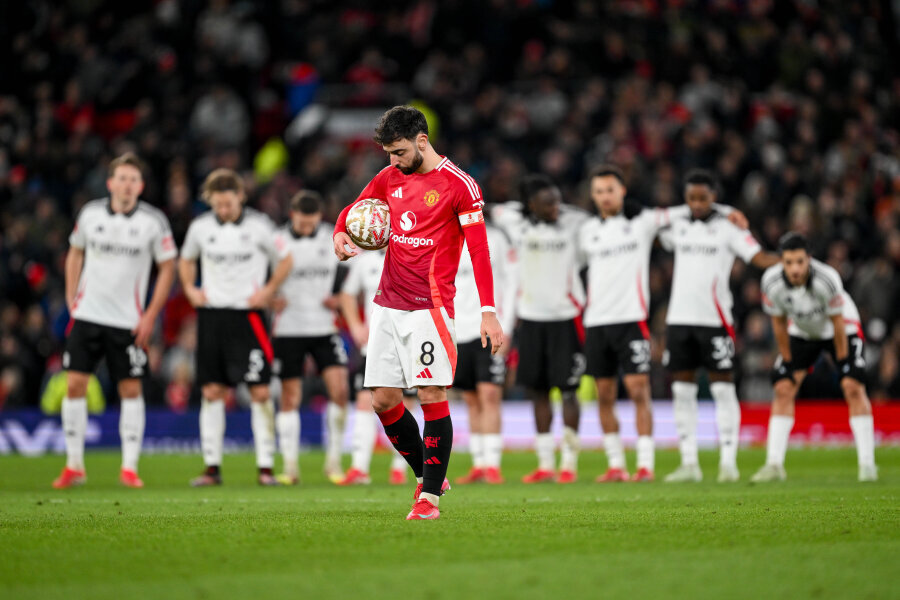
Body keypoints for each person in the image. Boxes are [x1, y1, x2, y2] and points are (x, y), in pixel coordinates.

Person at [333, 105, 503, 520]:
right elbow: (353, 211)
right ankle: (430, 473)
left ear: (422, 141)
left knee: (431, 395)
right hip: (387, 305)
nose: (393, 161)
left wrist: (488, 311)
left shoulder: (459, 185)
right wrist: (340, 233)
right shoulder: (390, 177)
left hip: (431, 308)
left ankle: (428, 499)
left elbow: (479, 251)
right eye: (389, 153)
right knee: (383, 400)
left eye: (399, 152)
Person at [579, 165, 745, 483]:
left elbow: (693, 206)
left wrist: (728, 211)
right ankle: (616, 465)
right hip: (596, 321)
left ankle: (644, 465)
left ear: (622, 190)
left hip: (631, 321)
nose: (604, 197)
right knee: (604, 395)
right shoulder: (587, 231)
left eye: (610, 190)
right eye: (598, 191)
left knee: (639, 391)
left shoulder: (643, 222)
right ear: (593, 195)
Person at [54, 152, 176, 489]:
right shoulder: (91, 214)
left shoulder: (153, 221)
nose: (126, 185)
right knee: (74, 385)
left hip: (128, 321)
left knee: (131, 389)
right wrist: (71, 298)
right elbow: (75, 252)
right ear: (110, 183)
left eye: (132, 180)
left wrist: (151, 313)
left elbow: (168, 266)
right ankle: (74, 465)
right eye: (121, 178)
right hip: (88, 314)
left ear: (141, 186)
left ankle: (129, 467)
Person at [659, 169, 779, 483]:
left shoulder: (730, 228)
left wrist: (791, 260)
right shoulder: (678, 226)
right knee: (682, 391)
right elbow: (649, 219)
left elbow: (757, 257)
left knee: (723, 390)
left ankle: (728, 462)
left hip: (716, 320)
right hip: (679, 320)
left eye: (703, 197)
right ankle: (689, 464)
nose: (697, 204)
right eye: (691, 198)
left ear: (714, 196)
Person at [179, 168, 292, 486]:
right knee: (212, 391)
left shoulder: (259, 226)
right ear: (210, 201)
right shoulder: (201, 228)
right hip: (212, 316)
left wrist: (268, 293)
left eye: (228, 203)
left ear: (240, 196)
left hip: (249, 316)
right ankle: (212, 467)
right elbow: (185, 260)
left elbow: (285, 260)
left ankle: (265, 467)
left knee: (258, 390)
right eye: (218, 205)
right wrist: (190, 289)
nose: (224, 210)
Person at [751, 232, 877, 482]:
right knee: (784, 387)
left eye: (799, 262)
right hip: (803, 330)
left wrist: (843, 364)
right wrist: (787, 361)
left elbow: (837, 322)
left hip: (841, 328)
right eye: (788, 263)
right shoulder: (771, 282)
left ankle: (867, 465)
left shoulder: (827, 279)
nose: (794, 269)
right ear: (782, 262)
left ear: (809, 259)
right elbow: (777, 322)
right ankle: (774, 464)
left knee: (852, 385)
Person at [504, 174, 586, 484]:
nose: (556, 207)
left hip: (565, 318)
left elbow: (597, 216)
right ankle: (545, 464)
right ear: (531, 205)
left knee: (568, 391)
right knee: (537, 391)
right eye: (548, 202)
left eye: (557, 200)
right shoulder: (516, 222)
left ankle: (569, 464)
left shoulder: (574, 222)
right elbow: (486, 209)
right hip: (530, 318)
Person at [271, 190, 350, 485]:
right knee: (290, 397)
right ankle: (290, 467)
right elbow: (260, 276)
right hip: (288, 328)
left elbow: (351, 273)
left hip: (324, 327)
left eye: (311, 223)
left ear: (319, 217)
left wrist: (341, 296)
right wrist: (270, 298)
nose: (306, 229)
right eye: (302, 224)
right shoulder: (277, 241)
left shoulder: (332, 237)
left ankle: (333, 463)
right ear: (293, 215)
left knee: (340, 391)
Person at [337, 246, 415, 486]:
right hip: (372, 345)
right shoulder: (365, 260)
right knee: (364, 401)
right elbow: (347, 294)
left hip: (407, 340)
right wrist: (355, 325)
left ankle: (400, 467)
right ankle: (359, 468)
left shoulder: (412, 253)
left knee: (405, 403)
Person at [453, 219, 516, 485]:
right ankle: (479, 464)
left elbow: (512, 283)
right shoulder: (445, 237)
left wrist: (508, 324)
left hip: (489, 329)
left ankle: (493, 465)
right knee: (470, 398)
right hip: (457, 331)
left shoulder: (496, 238)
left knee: (490, 394)